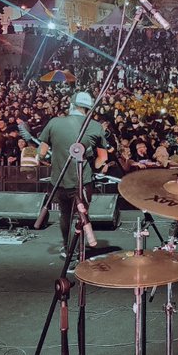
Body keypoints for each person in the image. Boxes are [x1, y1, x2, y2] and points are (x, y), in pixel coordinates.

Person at [38, 91, 109, 259]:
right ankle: (79, 252)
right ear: (88, 108)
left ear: (71, 105)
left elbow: (41, 153)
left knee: (65, 215)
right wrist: (95, 167)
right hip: (83, 182)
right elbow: (103, 158)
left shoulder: (54, 122)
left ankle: (67, 247)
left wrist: (48, 158)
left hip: (59, 180)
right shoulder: (95, 126)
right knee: (82, 215)